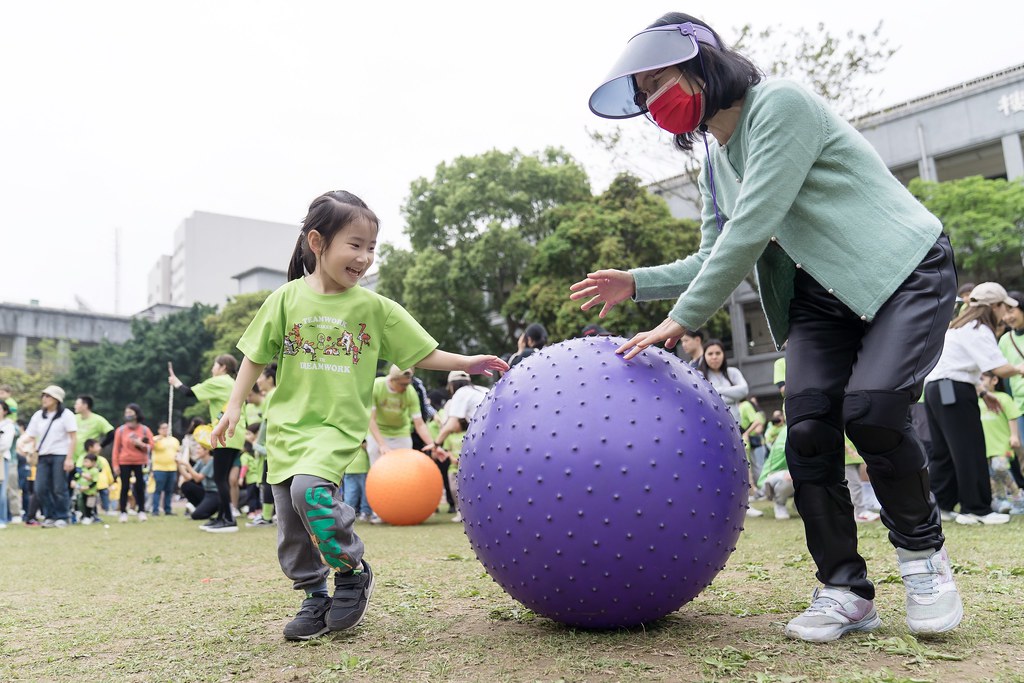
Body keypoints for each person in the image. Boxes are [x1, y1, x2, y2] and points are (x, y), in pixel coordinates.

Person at [575, 12, 965, 641]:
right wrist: (639, 282)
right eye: (643, 94)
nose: (653, 100)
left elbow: (753, 224)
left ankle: (924, 563)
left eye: (658, 80)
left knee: (871, 410)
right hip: (817, 300)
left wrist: (681, 320)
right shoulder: (713, 164)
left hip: (902, 271)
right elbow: (714, 253)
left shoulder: (779, 104)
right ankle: (845, 590)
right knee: (809, 428)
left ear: (702, 62)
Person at [209, 190, 508, 641]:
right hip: (287, 428)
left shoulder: (374, 309)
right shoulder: (285, 300)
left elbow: (421, 351)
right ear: (317, 242)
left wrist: (466, 363)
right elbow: (253, 355)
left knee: (311, 492)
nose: (365, 257)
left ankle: (351, 570)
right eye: (356, 244)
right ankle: (314, 596)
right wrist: (234, 405)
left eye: (372, 248)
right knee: (290, 525)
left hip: (335, 427)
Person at [924, 283, 1024, 526]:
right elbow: (997, 368)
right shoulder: (978, 329)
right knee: (970, 448)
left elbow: (955, 365)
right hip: (954, 389)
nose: (1004, 313)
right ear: (993, 306)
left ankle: (943, 506)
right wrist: (1020, 367)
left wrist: (982, 393)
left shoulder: (958, 328)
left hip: (936, 389)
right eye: (1003, 307)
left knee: (944, 453)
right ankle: (976, 509)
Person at [169, 355, 248, 532]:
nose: (212, 369)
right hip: (236, 434)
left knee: (220, 479)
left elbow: (189, 392)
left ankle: (228, 519)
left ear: (222, 367)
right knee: (224, 479)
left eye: (214, 365)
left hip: (225, 436)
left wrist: (175, 381)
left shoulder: (219, 381)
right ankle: (221, 516)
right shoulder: (232, 383)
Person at [433, 370, 490, 522]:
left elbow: (451, 424)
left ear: (452, 385)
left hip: (482, 439)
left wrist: (436, 443)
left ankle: (473, 513)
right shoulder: (483, 390)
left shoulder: (461, 394)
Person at [24, 385, 77, 528]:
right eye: (43, 396)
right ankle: (50, 515)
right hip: (43, 455)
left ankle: (62, 516)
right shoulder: (38, 415)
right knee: (40, 488)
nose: (44, 399)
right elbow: (30, 434)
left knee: (59, 488)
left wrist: (69, 458)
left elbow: (73, 438)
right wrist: (22, 443)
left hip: (60, 454)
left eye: (48, 396)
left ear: (56, 399)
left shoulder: (66, 415)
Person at [977, 371, 1023, 514]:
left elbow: (1012, 416)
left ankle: (1018, 496)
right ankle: (1001, 501)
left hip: (1003, 444)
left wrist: (1014, 436)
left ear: (995, 380)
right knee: (992, 476)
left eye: (982, 379)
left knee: (1000, 467)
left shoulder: (1004, 398)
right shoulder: (978, 401)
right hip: (987, 445)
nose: (979, 382)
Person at [996, 291, 1024, 490]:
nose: (1008, 317)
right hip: (1019, 406)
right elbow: (1004, 380)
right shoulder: (1005, 340)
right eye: (1005, 313)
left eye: (1011, 311)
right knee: (1022, 450)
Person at [246, 363, 278, 528]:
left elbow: (265, 424)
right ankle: (272, 515)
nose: (258, 381)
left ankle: (266, 517)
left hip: (271, 447)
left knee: (267, 483)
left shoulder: (271, 395)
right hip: (277, 446)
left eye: (260, 377)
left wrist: (256, 444)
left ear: (270, 379)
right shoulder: (278, 393)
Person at [112, 403, 153, 523]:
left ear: (137, 414)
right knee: (124, 487)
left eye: (131, 412)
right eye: (126, 413)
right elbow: (116, 449)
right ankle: (123, 512)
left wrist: (141, 444)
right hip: (124, 462)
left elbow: (152, 445)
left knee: (140, 487)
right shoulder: (120, 430)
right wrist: (115, 465)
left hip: (140, 462)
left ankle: (141, 511)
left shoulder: (144, 430)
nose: (128, 415)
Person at [695, 340, 748, 421]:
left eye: (718, 353)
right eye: (710, 354)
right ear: (704, 356)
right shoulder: (698, 375)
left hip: (736, 424)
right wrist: (732, 396)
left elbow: (744, 390)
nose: (714, 357)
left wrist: (715, 390)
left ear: (723, 354)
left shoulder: (733, 372)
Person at [179, 443, 219, 521]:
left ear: (207, 450)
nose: (196, 451)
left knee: (196, 516)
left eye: (199, 449)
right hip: (206, 492)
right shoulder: (200, 462)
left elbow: (198, 478)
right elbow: (188, 477)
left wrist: (187, 465)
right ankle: (201, 508)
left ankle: (204, 510)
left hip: (215, 494)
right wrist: (178, 464)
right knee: (185, 485)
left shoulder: (212, 461)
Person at [72, 395, 115, 467]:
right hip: (72, 459)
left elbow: (111, 433)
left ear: (85, 405)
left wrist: (100, 446)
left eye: (77, 404)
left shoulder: (98, 420)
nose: (74, 406)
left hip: (88, 460)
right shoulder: (73, 418)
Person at [151, 422, 181, 516]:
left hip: (172, 468)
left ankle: (167, 509)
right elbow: (149, 446)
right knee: (158, 490)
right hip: (159, 468)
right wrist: (156, 440)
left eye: (167, 428)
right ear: (159, 430)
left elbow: (178, 451)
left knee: (169, 490)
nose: (165, 430)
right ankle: (155, 510)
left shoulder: (174, 440)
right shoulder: (155, 439)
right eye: (163, 428)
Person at [342, 440, 372, 522]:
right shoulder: (363, 433)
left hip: (349, 467)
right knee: (365, 492)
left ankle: (347, 514)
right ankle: (365, 512)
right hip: (363, 466)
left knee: (349, 493)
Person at [75, 452, 101, 524]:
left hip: (91, 492)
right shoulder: (83, 470)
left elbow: (95, 482)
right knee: (81, 505)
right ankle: (84, 516)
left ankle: (89, 517)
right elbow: (77, 476)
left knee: (89, 506)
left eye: (86, 461)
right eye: (84, 461)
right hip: (83, 491)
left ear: (93, 462)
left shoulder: (95, 471)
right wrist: (74, 481)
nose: (84, 463)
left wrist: (88, 487)